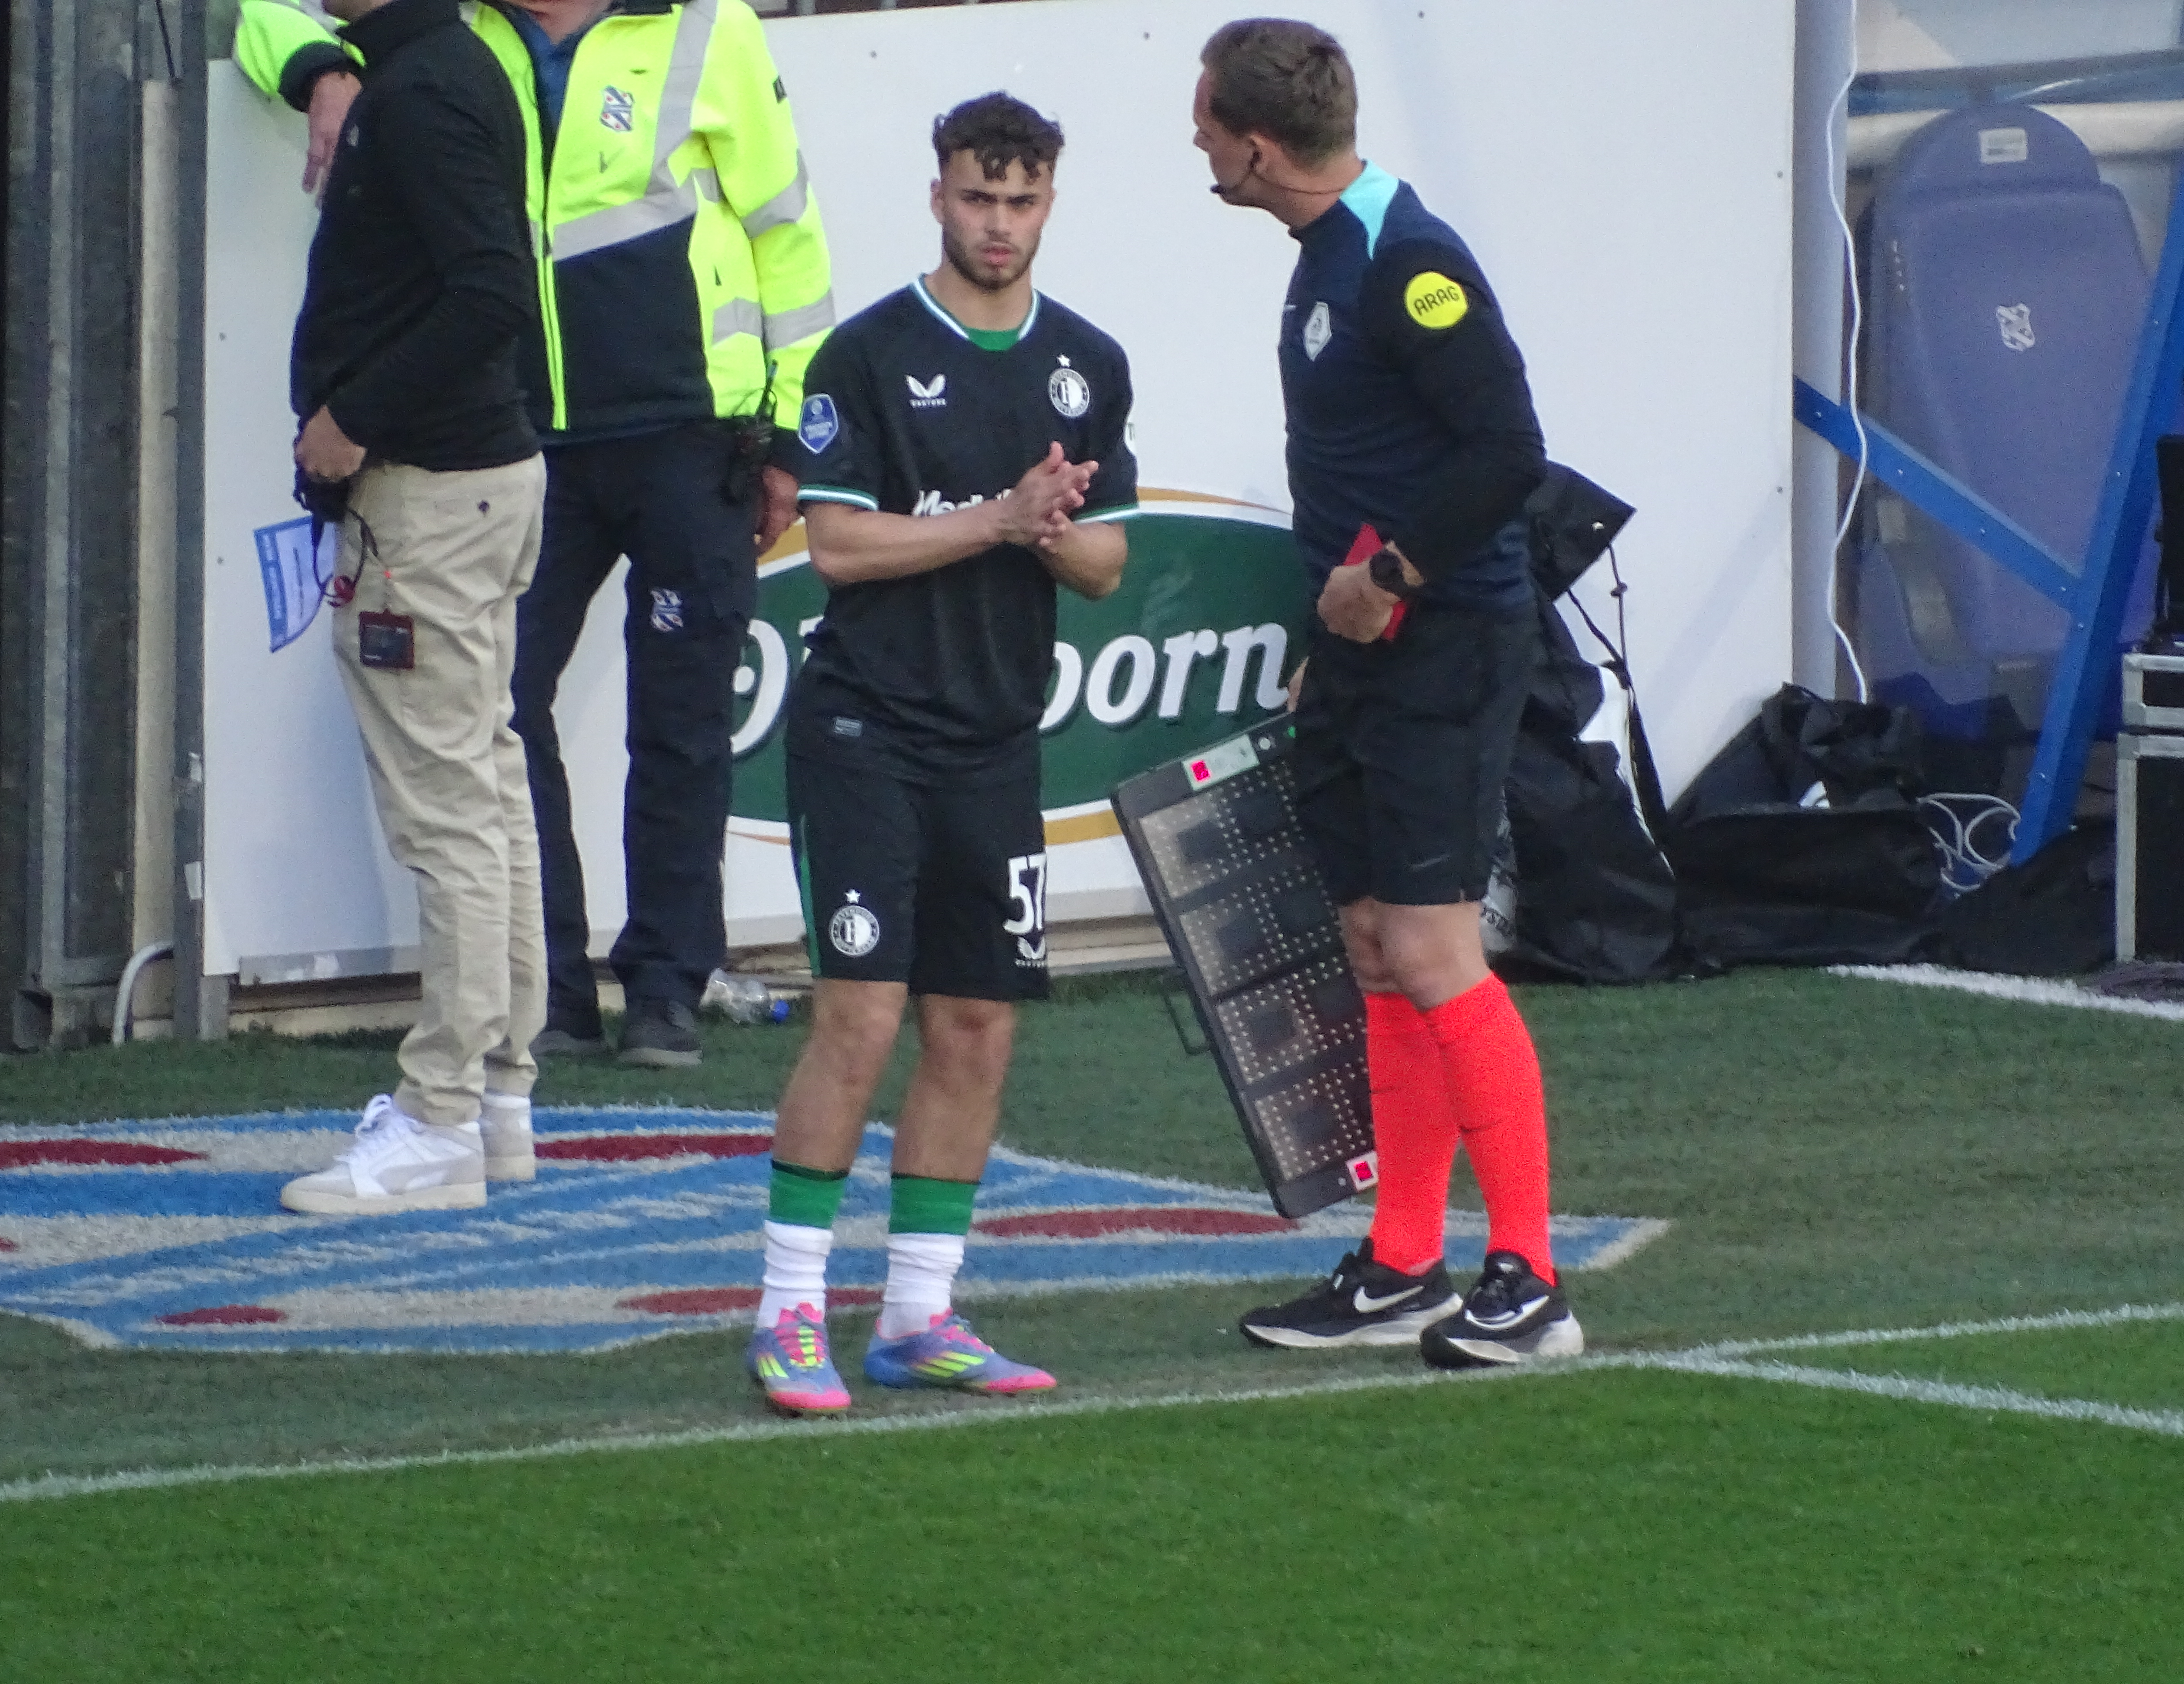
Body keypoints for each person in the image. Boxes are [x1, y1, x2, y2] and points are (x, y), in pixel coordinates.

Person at [234, 0, 835, 1072]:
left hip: (694, 429)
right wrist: (326, 70)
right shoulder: (444, 24)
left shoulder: (709, 25)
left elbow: (787, 232)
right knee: (499, 712)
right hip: (518, 438)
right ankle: (548, 991)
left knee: (684, 718)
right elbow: (260, 16)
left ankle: (665, 991)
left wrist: (789, 432)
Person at [1194, 18, 1584, 1367]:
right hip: (1364, 652)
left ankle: (1534, 1279)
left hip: (1447, 645)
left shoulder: (1408, 262)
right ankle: (1407, 1263)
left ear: (1254, 144)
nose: (1196, 144)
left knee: (1430, 949)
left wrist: (1396, 576)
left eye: (1205, 125)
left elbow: (1508, 454)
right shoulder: (1328, 258)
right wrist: (1338, 619)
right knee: (1372, 943)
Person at [744, 94, 1137, 1415]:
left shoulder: (1087, 364)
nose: (999, 225)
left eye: (1022, 203)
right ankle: (790, 1313)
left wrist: (1044, 526)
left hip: (995, 743)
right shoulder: (861, 357)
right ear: (937, 197)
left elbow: (1103, 563)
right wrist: (1000, 516)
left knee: (974, 1026)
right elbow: (840, 550)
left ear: (1049, 205)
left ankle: (919, 1317)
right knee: (861, 1015)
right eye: (979, 198)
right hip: (868, 733)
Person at [275, 0, 546, 1216]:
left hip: (432, 497)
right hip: (464, 487)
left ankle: (444, 1116)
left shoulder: (431, 86)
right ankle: (497, 1102)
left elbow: (492, 289)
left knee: (455, 815)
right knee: (484, 789)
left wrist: (354, 413)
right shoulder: (443, 66)